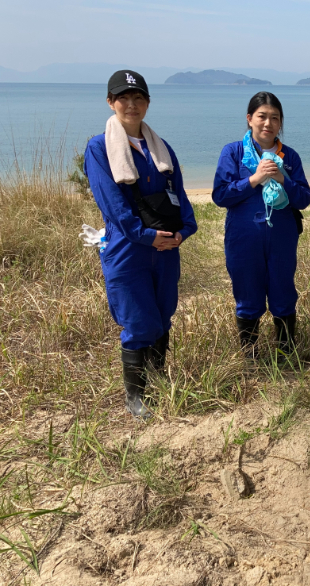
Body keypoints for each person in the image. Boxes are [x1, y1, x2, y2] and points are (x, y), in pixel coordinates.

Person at [84, 70, 197, 420]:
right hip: (127, 249)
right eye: (123, 98)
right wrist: (147, 236)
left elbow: (179, 195)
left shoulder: (162, 149)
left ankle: (159, 383)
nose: (131, 105)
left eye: (139, 98)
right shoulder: (99, 147)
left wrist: (184, 231)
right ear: (110, 102)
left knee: (163, 316)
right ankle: (135, 398)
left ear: (148, 103)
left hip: (166, 248)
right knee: (138, 321)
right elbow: (112, 205)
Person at [213, 92, 310, 359]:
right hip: (243, 238)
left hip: (282, 237)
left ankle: (287, 355)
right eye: (262, 116)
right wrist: (253, 179)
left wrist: (283, 179)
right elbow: (220, 195)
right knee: (247, 295)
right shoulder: (233, 152)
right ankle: (251, 358)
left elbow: (304, 199)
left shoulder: (289, 156)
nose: (268, 123)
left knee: (283, 292)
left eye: (275, 118)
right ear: (249, 119)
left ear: (280, 124)